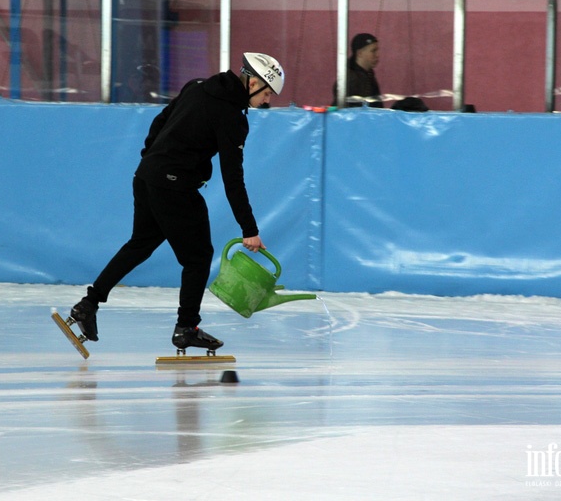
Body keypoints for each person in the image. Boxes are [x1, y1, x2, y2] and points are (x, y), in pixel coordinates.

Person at [70, 52, 285, 353]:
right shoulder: (232, 118)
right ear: (252, 82)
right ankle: (186, 328)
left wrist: (152, 162)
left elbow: (160, 122)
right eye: (266, 93)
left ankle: (88, 305)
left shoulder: (198, 85)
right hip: (174, 186)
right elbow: (233, 178)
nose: (267, 101)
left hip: (146, 177)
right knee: (198, 258)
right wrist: (249, 228)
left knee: (140, 244)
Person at [332, 33, 381, 106]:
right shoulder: (351, 79)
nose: (377, 55)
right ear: (359, 53)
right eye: (373, 51)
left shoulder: (368, 74)